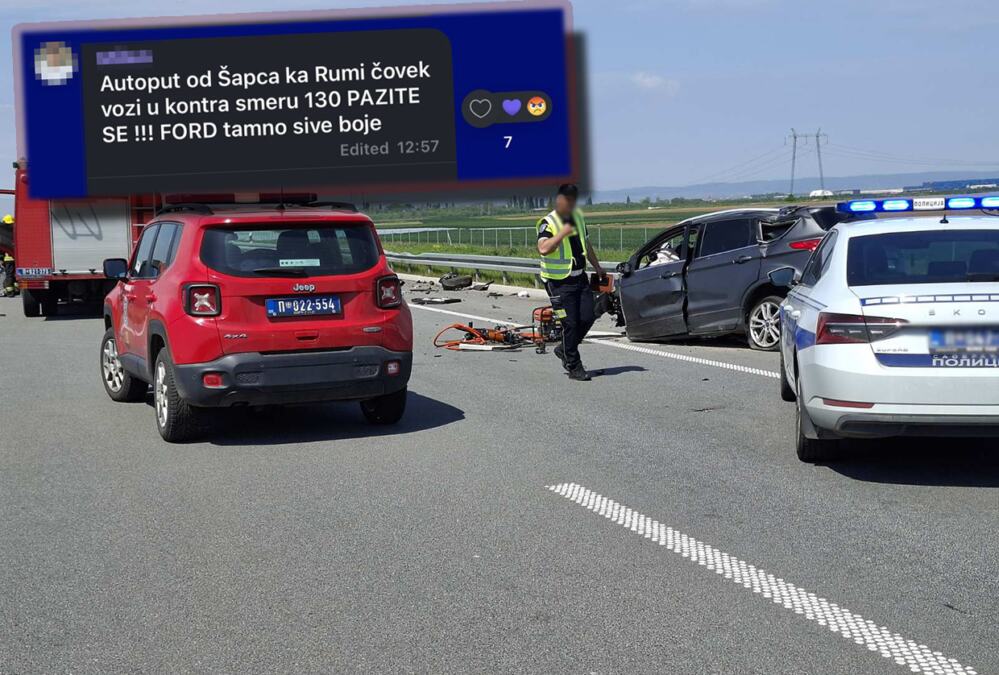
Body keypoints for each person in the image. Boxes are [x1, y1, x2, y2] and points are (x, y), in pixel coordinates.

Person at [537, 184, 605, 381]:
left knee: (589, 315)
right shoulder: (548, 222)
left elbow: (586, 244)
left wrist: (597, 266)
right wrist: (562, 233)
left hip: (579, 277)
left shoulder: (578, 218)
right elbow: (543, 248)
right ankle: (574, 365)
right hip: (558, 282)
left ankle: (564, 349)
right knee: (571, 323)